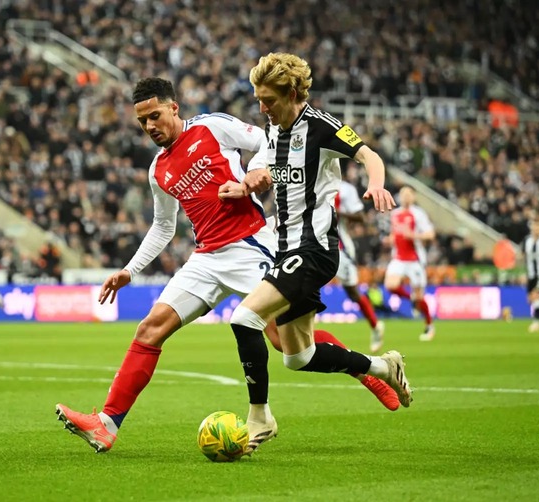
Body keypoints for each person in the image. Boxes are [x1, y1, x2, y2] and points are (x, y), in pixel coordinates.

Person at [54, 78, 398, 455]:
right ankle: (106, 425)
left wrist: (254, 176)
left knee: (286, 342)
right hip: (205, 258)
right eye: (142, 122)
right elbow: (164, 227)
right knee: (149, 329)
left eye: (155, 116)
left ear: (174, 108)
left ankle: (367, 369)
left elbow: (268, 141)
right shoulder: (158, 171)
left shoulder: (211, 126)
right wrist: (130, 270)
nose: (150, 126)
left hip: (251, 244)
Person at [220, 53, 413, 441]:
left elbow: (368, 154)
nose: (262, 108)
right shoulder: (274, 129)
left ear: (292, 93)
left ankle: (260, 418)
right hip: (285, 248)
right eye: (258, 100)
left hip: (314, 250)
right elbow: (267, 170)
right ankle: (382, 367)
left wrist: (376, 182)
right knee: (298, 357)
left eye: (269, 101)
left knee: (243, 319)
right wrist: (244, 186)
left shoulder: (321, 126)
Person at [335, 178, 385, 353]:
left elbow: (360, 216)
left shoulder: (344, 189)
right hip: (312, 244)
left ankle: (375, 325)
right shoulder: (308, 177)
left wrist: (337, 213)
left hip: (339, 246)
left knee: (352, 292)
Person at [383, 186, 436, 341]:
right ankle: (411, 298)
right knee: (390, 285)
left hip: (415, 259)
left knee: (420, 297)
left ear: (413, 197)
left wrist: (414, 235)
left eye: (408, 194)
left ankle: (429, 325)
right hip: (398, 257)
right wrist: (390, 240)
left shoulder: (418, 214)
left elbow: (430, 234)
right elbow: (395, 234)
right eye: (402, 194)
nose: (405, 197)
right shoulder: (395, 214)